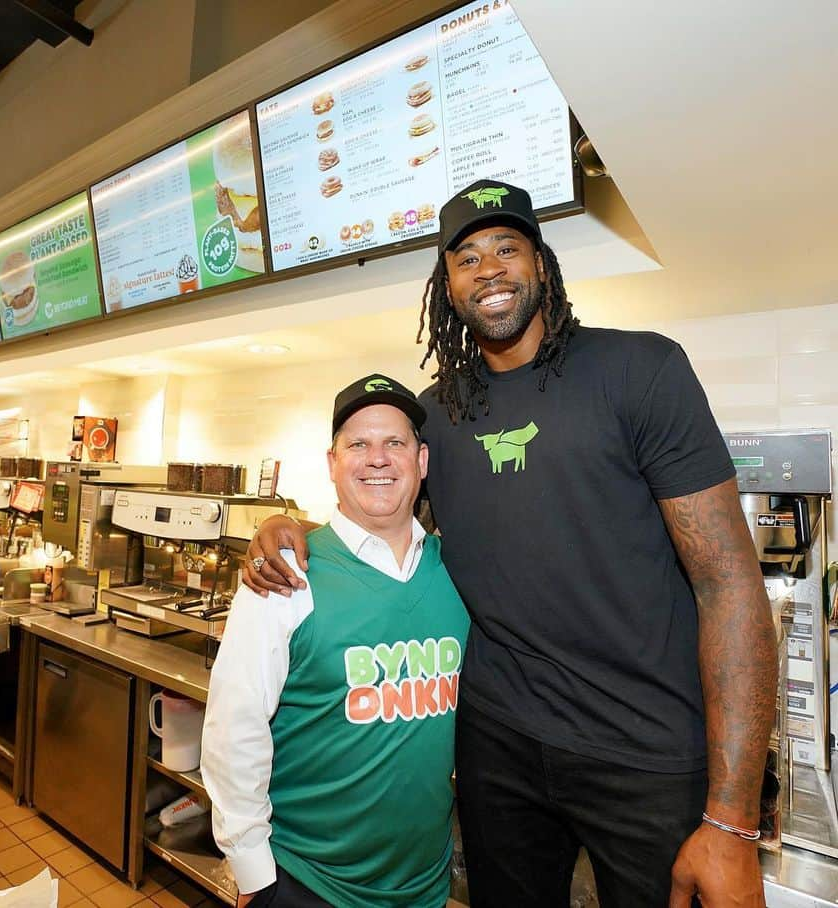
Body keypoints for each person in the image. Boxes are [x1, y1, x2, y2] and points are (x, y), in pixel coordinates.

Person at [244, 180, 777, 908]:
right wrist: (287, 527)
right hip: (499, 748)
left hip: (646, 754)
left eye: (506, 248)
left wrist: (734, 818)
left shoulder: (641, 370)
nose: (488, 268)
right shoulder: (437, 414)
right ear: (446, 283)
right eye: (466, 257)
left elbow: (729, 582)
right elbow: (381, 512)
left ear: (542, 264)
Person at [201, 376, 470, 908]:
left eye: (394, 443)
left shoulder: (459, 571)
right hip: (308, 882)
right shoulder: (285, 577)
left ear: (422, 461)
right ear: (331, 463)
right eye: (358, 444)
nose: (377, 459)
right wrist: (254, 873)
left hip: (424, 884)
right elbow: (235, 728)